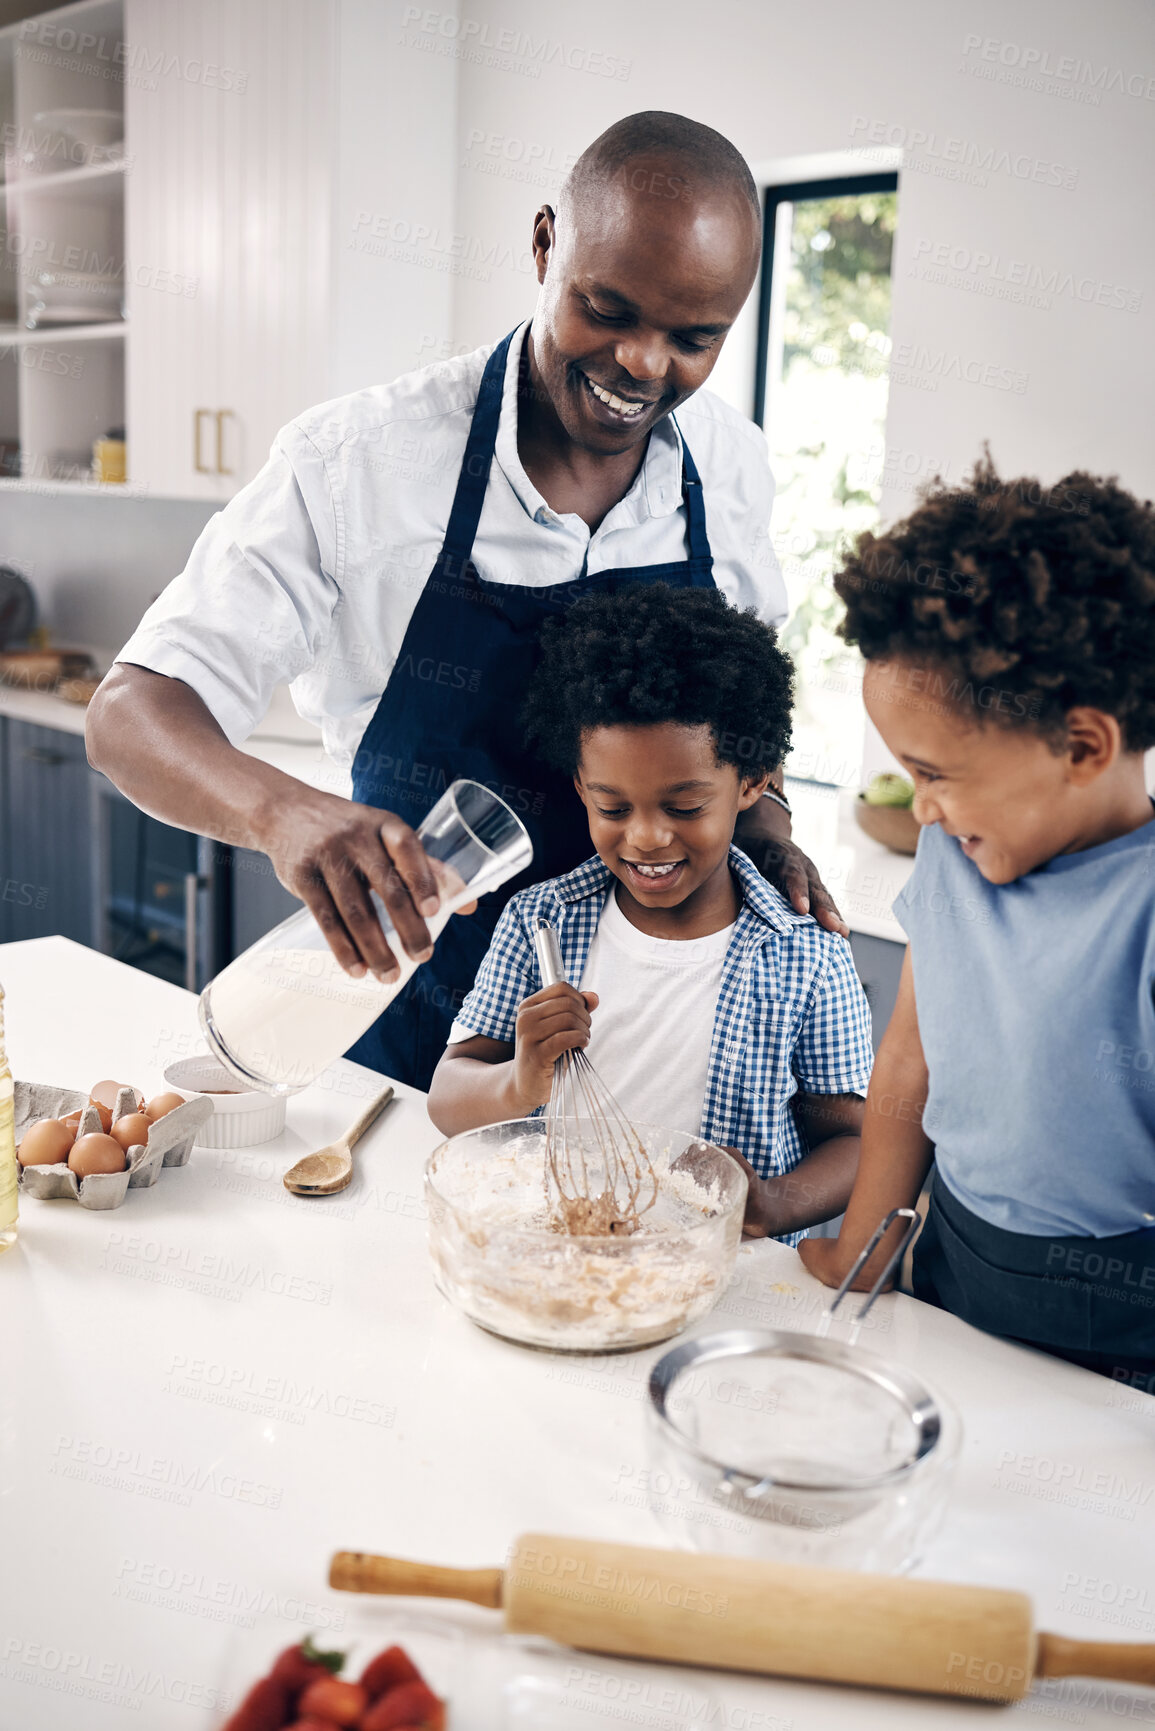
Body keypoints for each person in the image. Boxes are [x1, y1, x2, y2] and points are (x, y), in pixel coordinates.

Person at [85, 110, 846, 1094]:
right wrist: (285, 815)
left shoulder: (730, 466)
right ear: (543, 244)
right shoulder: (361, 460)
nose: (645, 365)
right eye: (608, 309)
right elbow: (129, 715)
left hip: (654, 1035)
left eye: (693, 338)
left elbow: (745, 707)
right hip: (412, 1030)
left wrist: (767, 818)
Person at [800, 457, 1155, 1382]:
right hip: (949, 1272)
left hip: (1116, 1338)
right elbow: (912, 1058)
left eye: (937, 774)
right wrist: (862, 1248)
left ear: (1082, 745)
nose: (919, 808)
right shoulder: (953, 852)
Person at [428, 585, 873, 1242]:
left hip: (729, 1273)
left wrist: (776, 1201)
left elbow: (858, 1139)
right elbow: (447, 1095)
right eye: (612, 808)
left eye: (684, 808)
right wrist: (518, 1082)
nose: (644, 837)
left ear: (751, 782)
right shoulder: (539, 920)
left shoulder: (806, 953)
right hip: (567, 1248)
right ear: (580, 785)